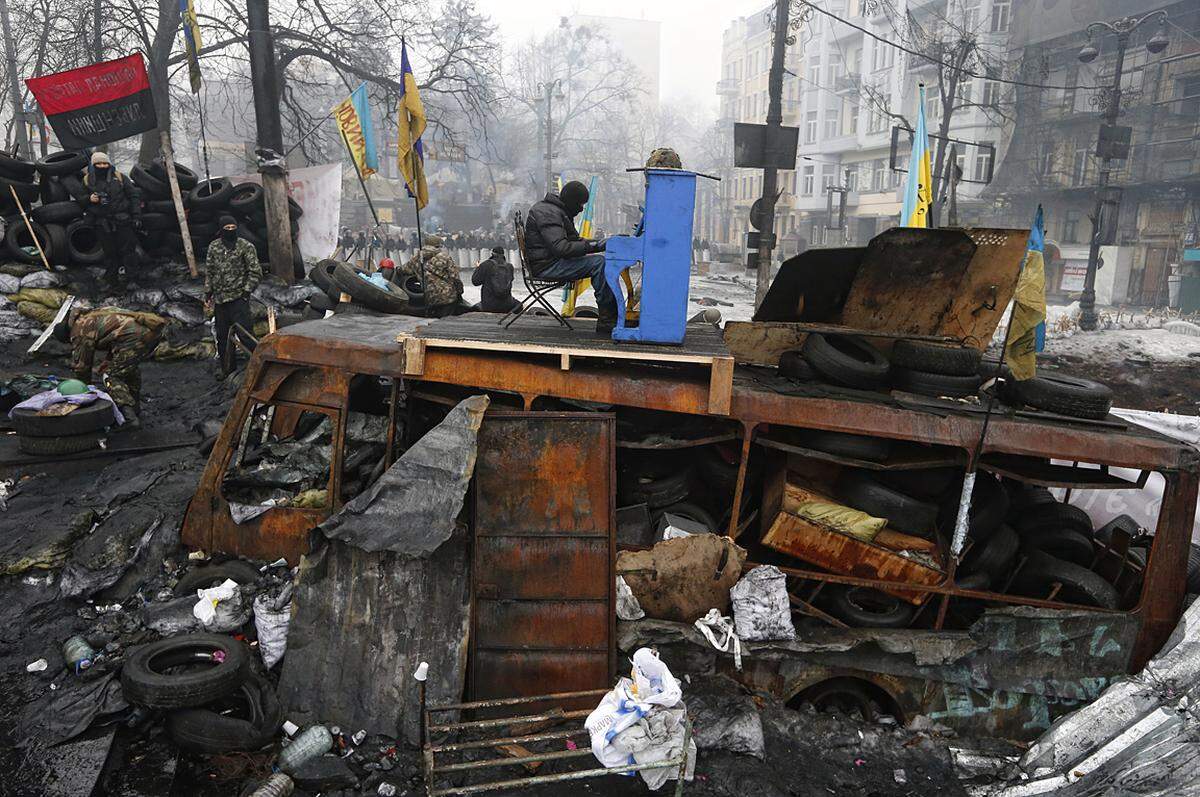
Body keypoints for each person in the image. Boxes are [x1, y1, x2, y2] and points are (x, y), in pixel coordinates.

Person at [52, 302, 166, 429]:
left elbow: (82, 366)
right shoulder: (92, 314)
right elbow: (115, 333)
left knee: (111, 376)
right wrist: (108, 360)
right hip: (151, 331)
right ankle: (135, 408)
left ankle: (129, 418)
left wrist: (82, 391)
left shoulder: (79, 330)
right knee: (128, 368)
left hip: (134, 337)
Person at [523, 180, 615, 323]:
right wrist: (596, 245)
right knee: (599, 263)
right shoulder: (549, 213)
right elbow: (562, 248)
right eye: (580, 204)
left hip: (549, 262)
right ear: (572, 201)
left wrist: (603, 243)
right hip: (546, 266)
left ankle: (609, 315)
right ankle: (608, 318)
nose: (581, 209)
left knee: (599, 260)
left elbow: (575, 241)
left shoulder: (556, 211)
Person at [72, 151, 142, 290]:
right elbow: (80, 199)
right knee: (109, 253)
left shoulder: (120, 177)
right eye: (98, 164)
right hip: (101, 223)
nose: (102, 166)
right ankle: (111, 280)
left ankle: (132, 279)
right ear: (93, 165)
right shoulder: (87, 180)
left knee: (128, 251)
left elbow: (134, 196)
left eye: (105, 163)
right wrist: (89, 199)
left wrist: (136, 216)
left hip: (122, 220)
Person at [205, 214, 263, 375]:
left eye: (233, 228)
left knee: (246, 336)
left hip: (238, 299)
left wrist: (246, 292)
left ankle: (258, 370)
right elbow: (210, 272)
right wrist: (208, 293)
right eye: (227, 228)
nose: (230, 230)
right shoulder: (214, 247)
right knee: (223, 338)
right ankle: (227, 370)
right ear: (221, 229)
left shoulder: (246, 246)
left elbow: (255, 272)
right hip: (221, 301)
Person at [396, 234, 463, 317]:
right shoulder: (444, 257)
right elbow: (455, 278)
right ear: (438, 245)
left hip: (430, 297)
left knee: (435, 321)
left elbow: (403, 270)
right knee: (448, 321)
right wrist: (460, 292)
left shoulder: (416, 258)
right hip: (447, 297)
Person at [472, 247, 519, 313]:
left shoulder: (485, 265)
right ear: (503, 255)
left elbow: (475, 282)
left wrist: (477, 268)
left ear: (492, 254)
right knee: (518, 304)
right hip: (507, 305)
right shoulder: (509, 266)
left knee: (475, 306)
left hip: (489, 305)